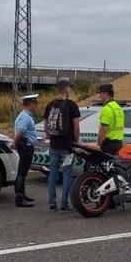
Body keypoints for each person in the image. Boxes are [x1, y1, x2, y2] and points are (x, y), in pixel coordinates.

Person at [44, 80, 81, 211]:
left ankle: (52, 203)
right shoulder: (72, 105)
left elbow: (46, 127)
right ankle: (64, 204)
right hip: (68, 148)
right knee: (66, 174)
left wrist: (51, 137)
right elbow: (76, 127)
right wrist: (76, 142)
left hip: (53, 146)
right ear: (67, 89)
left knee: (52, 174)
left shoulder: (50, 105)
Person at [12, 94, 39, 208]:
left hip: (27, 146)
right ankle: (19, 198)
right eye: (35, 103)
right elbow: (21, 132)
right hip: (25, 147)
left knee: (23, 172)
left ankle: (22, 195)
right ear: (30, 104)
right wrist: (15, 143)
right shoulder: (25, 117)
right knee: (22, 173)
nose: (36, 106)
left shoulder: (26, 115)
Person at [96, 84, 124, 156]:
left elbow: (104, 129)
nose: (99, 96)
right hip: (118, 143)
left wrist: (98, 145)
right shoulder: (118, 107)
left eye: (100, 93)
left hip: (108, 144)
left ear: (105, 93)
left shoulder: (107, 108)